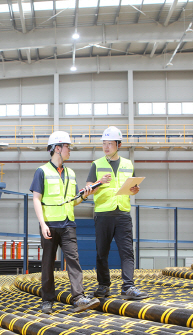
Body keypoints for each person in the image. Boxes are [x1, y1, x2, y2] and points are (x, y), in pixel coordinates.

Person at [30, 131, 100, 314]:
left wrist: (85, 196)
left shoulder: (70, 173)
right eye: (67, 146)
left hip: (68, 224)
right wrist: (43, 223)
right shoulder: (42, 171)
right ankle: (47, 300)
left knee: (73, 261)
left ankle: (78, 298)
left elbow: (73, 200)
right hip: (50, 224)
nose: (70, 150)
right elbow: (36, 199)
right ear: (57, 149)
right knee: (47, 263)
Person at [83, 126, 149, 300]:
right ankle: (103, 286)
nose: (106, 147)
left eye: (110, 144)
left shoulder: (128, 164)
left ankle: (128, 286)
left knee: (127, 252)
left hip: (123, 214)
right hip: (103, 213)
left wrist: (135, 190)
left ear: (118, 145)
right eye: (104, 144)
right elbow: (88, 188)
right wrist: (100, 181)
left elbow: (132, 188)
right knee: (101, 252)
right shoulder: (97, 164)